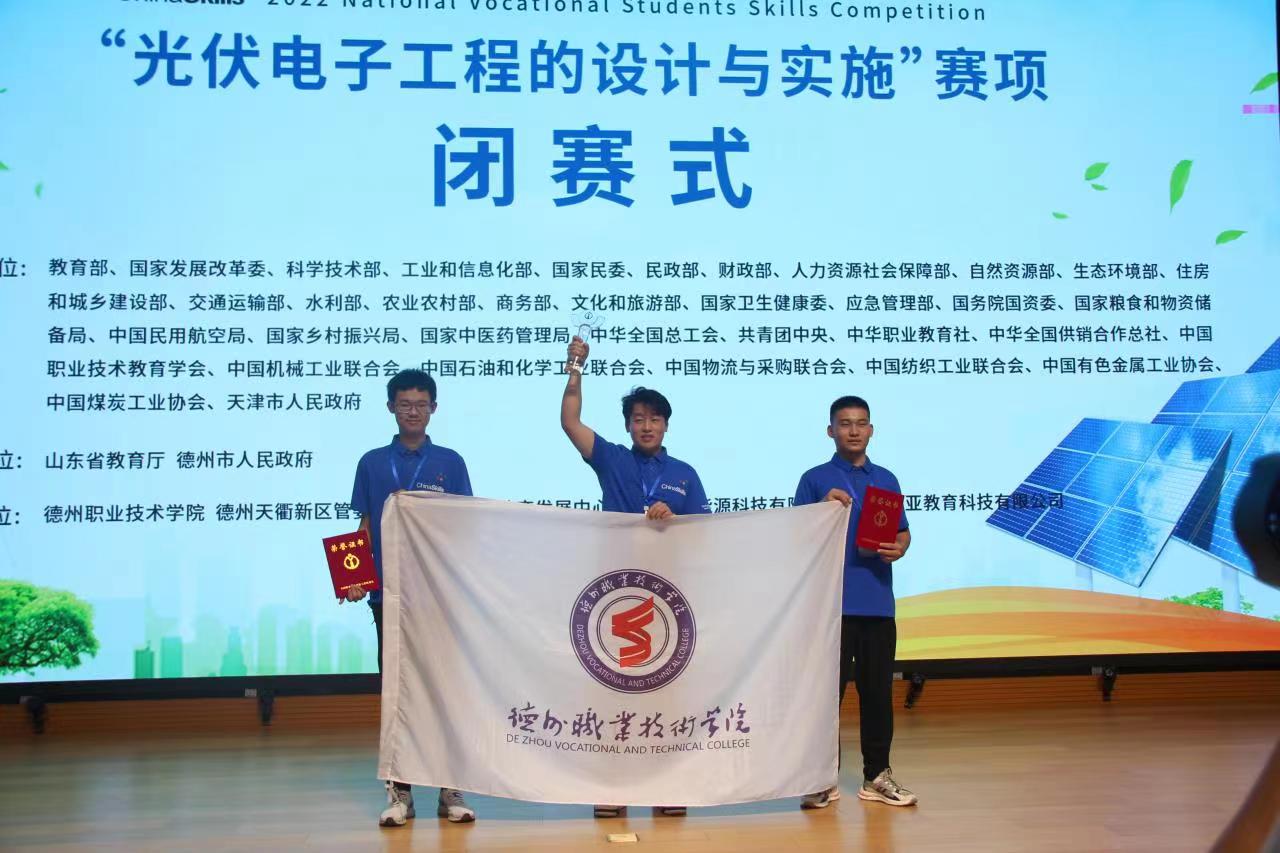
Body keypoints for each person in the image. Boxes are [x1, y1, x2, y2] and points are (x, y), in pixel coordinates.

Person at [561, 335, 710, 818]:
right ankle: (613, 786)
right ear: (628, 425)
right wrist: (575, 369)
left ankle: (668, 786)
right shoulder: (612, 458)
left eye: (655, 418)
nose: (647, 426)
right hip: (616, 593)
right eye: (639, 419)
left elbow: (706, 532)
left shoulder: (684, 473)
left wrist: (677, 519)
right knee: (612, 689)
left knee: (667, 691)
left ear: (666, 425)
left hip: (668, 596)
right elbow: (570, 422)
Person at [346, 369, 478, 826]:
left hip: (439, 597)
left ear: (434, 409)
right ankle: (399, 792)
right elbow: (364, 526)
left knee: (444, 693)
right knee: (396, 695)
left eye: (421, 404)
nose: (413, 412)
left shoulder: (450, 462)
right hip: (388, 597)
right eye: (405, 404)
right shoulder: (372, 463)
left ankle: (450, 789)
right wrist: (354, 578)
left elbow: (463, 526)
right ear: (391, 408)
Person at [793, 395, 917, 809]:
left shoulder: (887, 480)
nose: (853, 430)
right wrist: (820, 510)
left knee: (878, 694)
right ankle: (822, 778)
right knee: (826, 697)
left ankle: (876, 775)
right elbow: (795, 536)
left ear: (871, 430)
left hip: (878, 603)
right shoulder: (814, 479)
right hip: (829, 608)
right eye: (844, 423)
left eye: (861, 423)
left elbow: (902, 531)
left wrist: (901, 546)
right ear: (830, 430)